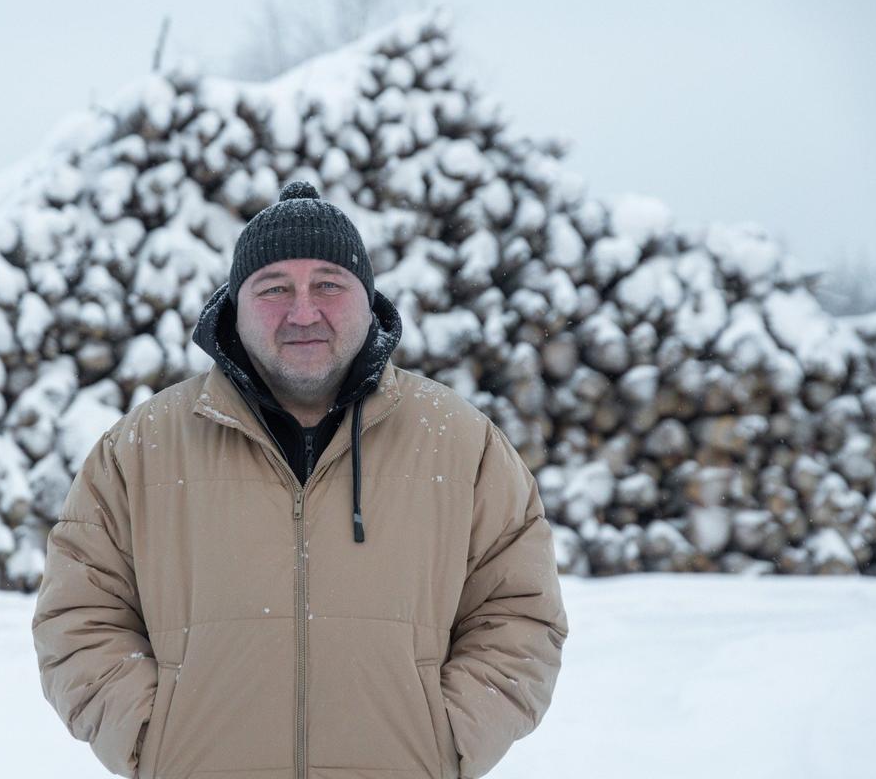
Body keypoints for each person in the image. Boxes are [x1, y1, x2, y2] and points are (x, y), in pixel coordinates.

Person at [32, 180, 569, 779]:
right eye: (275, 288)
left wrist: (447, 741)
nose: (303, 311)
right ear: (234, 304)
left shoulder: (463, 444)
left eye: (329, 286)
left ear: (369, 301)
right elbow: (78, 617)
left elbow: (521, 615)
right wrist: (151, 741)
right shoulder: (139, 450)